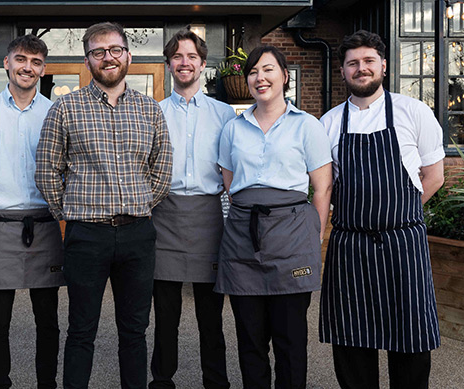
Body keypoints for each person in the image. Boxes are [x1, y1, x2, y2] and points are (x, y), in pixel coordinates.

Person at [35, 21, 173, 389]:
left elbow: (162, 170)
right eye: (98, 52)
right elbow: (47, 172)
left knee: (135, 332)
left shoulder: (150, 111)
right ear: (88, 60)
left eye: (114, 50)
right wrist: (72, 214)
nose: (107, 58)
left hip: (137, 235)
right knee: (81, 330)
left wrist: (142, 203)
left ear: (128, 55)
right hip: (86, 236)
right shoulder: (65, 109)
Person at [319, 30, 444, 389]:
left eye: (368, 61)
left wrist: (398, 215)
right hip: (349, 245)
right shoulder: (328, 123)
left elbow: (434, 177)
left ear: (384, 66)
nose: (361, 69)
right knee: (352, 338)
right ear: (342, 71)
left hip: (403, 243)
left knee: (411, 336)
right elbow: (324, 187)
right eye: (353, 63)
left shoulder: (413, 111)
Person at [215, 46, 333, 389]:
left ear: (284, 75)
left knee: (290, 339)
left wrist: (316, 235)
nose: (259, 78)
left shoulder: (307, 126)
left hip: (293, 235)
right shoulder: (233, 129)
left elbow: (322, 188)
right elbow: (230, 182)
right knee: (250, 340)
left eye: (268, 69)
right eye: (253, 72)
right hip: (242, 236)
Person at [0, 35, 64, 389]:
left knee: (48, 318)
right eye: (21, 59)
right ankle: (0, 383)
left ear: (43, 69)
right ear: (7, 62)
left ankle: (47, 383)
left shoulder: (55, 112)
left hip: (44, 223)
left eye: (36, 62)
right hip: (0, 225)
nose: (28, 67)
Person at [150, 29, 235, 389]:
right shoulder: (152, 112)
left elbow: (233, 171)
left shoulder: (225, 114)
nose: (185, 63)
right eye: (178, 56)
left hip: (209, 217)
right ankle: (162, 381)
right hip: (164, 216)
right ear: (169, 63)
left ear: (203, 64)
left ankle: (216, 382)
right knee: (165, 314)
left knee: (210, 316)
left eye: (192, 57)